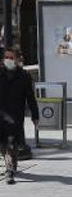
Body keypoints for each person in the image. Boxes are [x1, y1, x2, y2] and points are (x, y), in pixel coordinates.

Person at [0, 47, 38, 185]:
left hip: (16, 117)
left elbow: (30, 98)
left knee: (11, 143)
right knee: (4, 145)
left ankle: (9, 170)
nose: (8, 60)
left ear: (17, 59)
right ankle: (11, 166)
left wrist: (35, 115)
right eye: (6, 57)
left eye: (11, 57)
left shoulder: (24, 76)